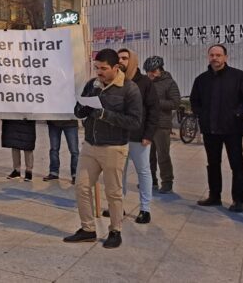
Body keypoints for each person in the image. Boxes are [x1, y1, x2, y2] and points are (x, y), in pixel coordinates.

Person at [64, 49, 142, 249]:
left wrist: (104, 115)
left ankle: (115, 231)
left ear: (116, 67)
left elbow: (134, 121)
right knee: (81, 187)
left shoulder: (129, 88)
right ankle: (87, 229)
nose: (99, 72)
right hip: (90, 145)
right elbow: (78, 109)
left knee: (113, 192)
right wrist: (83, 109)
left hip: (114, 148)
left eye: (104, 68)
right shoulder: (92, 85)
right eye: (97, 67)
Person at [101, 49, 158, 224]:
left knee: (143, 171)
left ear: (132, 60)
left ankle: (145, 209)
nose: (122, 61)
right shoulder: (114, 82)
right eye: (119, 58)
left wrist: (148, 134)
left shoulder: (145, 83)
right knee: (119, 173)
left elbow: (153, 110)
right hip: (117, 136)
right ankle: (118, 207)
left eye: (125, 58)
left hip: (139, 136)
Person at [191, 44, 243, 213]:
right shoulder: (201, 79)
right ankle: (214, 196)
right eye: (212, 55)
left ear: (225, 57)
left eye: (218, 55)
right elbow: (195, 101)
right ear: (208, 57)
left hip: (233, 130)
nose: (215, 58)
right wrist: (201, 114)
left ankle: (238, 200)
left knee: (236, 164)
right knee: (213, 164)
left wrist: (238, 113)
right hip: (210, 130)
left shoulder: (240, 77)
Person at [144, 56, 180, 194]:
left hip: (162, 125)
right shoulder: (146, 82)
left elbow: (175, 103)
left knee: (163, 155)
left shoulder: (169, 83)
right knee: (148, 156)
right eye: (148, 71)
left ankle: (167, 182)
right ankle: (151, 180)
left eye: (153, 71)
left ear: (160, 69)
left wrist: (156, 102)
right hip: (147, 124)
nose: (150, 74)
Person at [44, 120, 79, 184]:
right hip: (53, 123)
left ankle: (75, 175)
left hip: (71, 123)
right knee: (54, 149)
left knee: (74, 151)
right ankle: (53, 173)